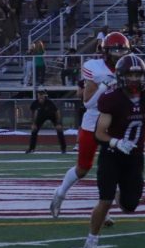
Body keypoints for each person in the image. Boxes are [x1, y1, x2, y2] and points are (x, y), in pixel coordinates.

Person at [84, 54, 145, 248]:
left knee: (129, 206)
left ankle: (118, 193)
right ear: (120, 75)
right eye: (130, 74)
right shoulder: (111, 98)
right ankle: (92, 240)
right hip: (112, 154)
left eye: (138, 74)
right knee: (105, 199)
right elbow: (99, 133)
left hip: (134, 156)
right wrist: (116, 142)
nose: (135, 79)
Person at [50, 32, 131, 217]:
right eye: (116, 50)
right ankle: (60, 193)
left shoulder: (128, 67)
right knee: (83, 168)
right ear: (106, 51)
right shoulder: (95, 68)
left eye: (122, 50)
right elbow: (87, 103)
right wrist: (103, 87)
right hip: (92, 123)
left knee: (112, 168)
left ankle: (104, 210)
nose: (119, 54)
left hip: (114, 124)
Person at [25, 89, 66, 154]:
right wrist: (33, 123)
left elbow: (57, 112)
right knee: (34, 130)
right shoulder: (35, 103)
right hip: (41, 117)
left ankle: (63, 149)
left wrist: (58, 123)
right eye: (39, 95)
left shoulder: (49, 103)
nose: (41, 97)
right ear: (37, 96)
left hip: (52, 116)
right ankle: (31, 148)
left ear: (44, 96)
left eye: (42, 95)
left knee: (59, 129)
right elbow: (32, 113)